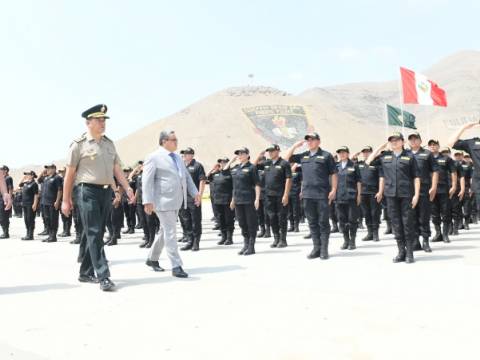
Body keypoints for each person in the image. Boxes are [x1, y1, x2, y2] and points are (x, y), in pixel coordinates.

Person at [62, 104, 135, 291]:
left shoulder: (109, 144)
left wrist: (126, 188)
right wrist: (65, 199)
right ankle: (103, 275)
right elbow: (70, 174)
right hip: (86, 191)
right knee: (95, 232)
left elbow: (116, 169)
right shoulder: (78, 145)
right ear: (88, 122)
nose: (103, 123)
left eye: (104, 120)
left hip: (105, 192)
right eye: (99, 120)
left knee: (93, 232)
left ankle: (85, 272)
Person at [142, 130, 200, 277]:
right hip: (163, 201)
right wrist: (147, 200)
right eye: (173, 140)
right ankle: (176, 265)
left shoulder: (177, 158)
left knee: (165, 231)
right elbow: (146, 180)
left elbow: (186, 177)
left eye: (176, 139)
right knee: (171, 232)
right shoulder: (153, 157)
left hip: (177, 200)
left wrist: (195, 193)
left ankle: (152, 259)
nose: (176, 142)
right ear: (164, 141)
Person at [367, 132, 420, 263]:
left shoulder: (410, 157)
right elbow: (368, 162)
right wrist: (381, 146)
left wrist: (416, 195)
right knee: (396, 224)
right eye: (392, 140)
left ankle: (409, 253)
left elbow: (416, 177)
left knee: (407, 224)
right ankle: (401, 251)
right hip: (391, 195)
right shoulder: (385, 157)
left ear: (402, 142)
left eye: (397, 140)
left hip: (406, 195)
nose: (394, 142)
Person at [285, 132, 338, 260]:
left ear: (318, 141)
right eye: (308, 140)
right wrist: (295, 146)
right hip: (307, 195)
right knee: (312, 222)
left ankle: (324, 249)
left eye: (313, 139)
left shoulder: (326, 156)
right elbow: (287, 159)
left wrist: (334, 189)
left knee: (323, 222)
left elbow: (334, 174)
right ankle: (316, 248)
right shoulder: (304, 156)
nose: (310, 142)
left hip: (322, 194)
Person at [254, 144, 292, 248]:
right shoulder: (267, 163)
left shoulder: (284, 163)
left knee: (282, 217)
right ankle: (276, 238)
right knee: (272, 217)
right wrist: (259, 155)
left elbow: (288, 179)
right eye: (269, 151)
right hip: (268, 196)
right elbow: (253, 166)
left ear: (278, 151)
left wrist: (286, 195)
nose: (270, 153)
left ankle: (283, 240)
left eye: (272, 151)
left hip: (280, 195)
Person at [407, 132, 439, 252]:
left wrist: (434, 187)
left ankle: (425, 241)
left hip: (424, 189)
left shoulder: (427, 154)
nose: (413, 141)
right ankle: (415, 241)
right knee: (411, 216)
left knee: (424, 216)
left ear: (420, 141)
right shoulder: (406, 154)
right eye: (411, 139)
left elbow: (435, 171)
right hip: (409, 190)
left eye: (416, 139)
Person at [227, 147, 261, 255]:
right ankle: (245, 245)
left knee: (251, 223)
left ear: (247, 155)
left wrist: (257, 199)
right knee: (242, 223)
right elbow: (234, 186)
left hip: (248, 199)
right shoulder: (236, 168)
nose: (239, 155)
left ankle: (251, 246)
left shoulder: (252, 168)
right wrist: (233, 200)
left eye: (242, 153)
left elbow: (257, 184)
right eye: (238, 154)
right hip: (238, 200)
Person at [428, 141, 457, 243]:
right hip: (431, 190)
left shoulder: (446, 158)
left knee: (445, 212)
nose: (432, 146)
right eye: (430, 145)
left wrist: (454, 186)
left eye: (434, 144)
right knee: (434, 213)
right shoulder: (426, 158)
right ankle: (438, 234)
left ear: (438, 146)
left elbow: (453, 172)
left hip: (443, 189)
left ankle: (445, 235)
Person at [179, 147, 206, 251]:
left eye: (186, 153)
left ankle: (196, 242)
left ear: (192, 155)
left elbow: (202, 181)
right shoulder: (181, 166)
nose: (184, 155)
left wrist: (199, 195)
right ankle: (190, 241)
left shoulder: (197, 166)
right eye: (183, 154)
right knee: (186, 220)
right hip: (183, 198)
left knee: (196, 221)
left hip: (194, 198)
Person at [335, 146, 362, 250]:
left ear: (348, 153)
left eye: (344, 152)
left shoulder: (354, 165)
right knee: (342, 220)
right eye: (340, 153)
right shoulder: (336, 166)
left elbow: (359, 181)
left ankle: (352, 241)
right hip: (339, 197)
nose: (342, 154)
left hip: (351, 197)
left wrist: (359, 195)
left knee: (352, 220)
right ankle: (346, 240)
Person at [356, 146, 382, 242]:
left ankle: (375, 234)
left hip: (374, 192)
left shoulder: (377, 163)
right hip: (363, 193)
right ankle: (370, 233)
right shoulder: (359, 164)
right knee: (366, 213)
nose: (366, 153)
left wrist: (380, 192)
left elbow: (381, 178)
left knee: (375, 213)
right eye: (364, 152)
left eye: (368, 152)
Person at [207, 157, 235, 245]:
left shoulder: (231, 174)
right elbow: (207, 177)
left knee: (229, 220)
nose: (222, 163)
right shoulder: (216, 174)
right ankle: (223, 237)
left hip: (227, 201)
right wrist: (213, 169)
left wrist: (233, 200)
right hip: (217, 201)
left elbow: (235, 188)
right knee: (221, 220)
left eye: (224, 162)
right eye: (221, 162)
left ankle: (229, 238)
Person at [38, 164, 63, 242]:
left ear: (54, 169)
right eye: (47, 168)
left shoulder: (57, 178)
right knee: (47, 219)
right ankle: (49, 235)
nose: (47, 170)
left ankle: (53, 236)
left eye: (49, 168)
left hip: (52, 202)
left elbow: (60, 190)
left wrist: (57, 201)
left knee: (53, 219)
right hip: (44, 202)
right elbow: (38, 180)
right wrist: (43, 172)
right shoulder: (46, 178)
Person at [19, 171, 39, 240]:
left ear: (32, 175)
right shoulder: (25, 183)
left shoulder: (34, 184)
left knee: (30, 219)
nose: (27, 175)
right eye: (26, 174)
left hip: (30, 204)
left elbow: (36, 195)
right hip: (25, 204)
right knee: (26, 219)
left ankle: (30, 235)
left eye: (28, 174)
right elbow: (19, 184)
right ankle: (27, 234)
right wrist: (24, 178)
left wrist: (35, 204)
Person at [57, 167, 73, 238]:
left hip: (68, 200)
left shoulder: (69, 179)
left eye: (63, 171)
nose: (61, 173)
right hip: (62, 200)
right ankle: (65, 230)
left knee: (68, 217)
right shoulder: (62, 180)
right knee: (63, 217)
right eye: (60, 172)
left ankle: (67, 231)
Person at [0, 165, 13, 239]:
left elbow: (10, 189)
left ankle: (6, 233)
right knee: (1, 217)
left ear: (5, 170)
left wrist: (9, 200)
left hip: (4, 200)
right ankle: (4, 231)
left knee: (4, 216)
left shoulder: (8, 178)